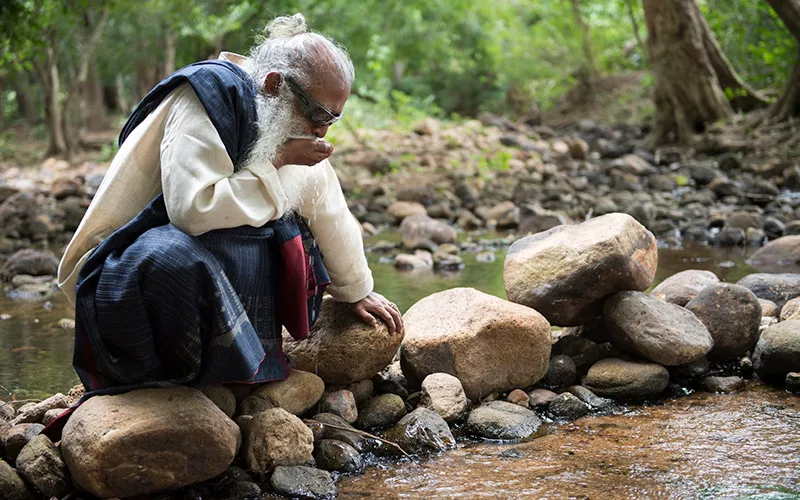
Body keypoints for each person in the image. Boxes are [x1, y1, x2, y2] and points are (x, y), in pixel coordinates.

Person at [56, 13, 403, 397]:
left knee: (291, 232)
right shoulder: (206, 97)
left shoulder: (285, 118)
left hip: (183, 258)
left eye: (333, 119)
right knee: (176, 256)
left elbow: (327, 206)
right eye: (319, 115)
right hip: (116, 270)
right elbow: (192, 210)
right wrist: (277, 161)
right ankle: (172, 376)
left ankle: (237, 371)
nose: (322, 130)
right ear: (274, 85)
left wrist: (357, 290)